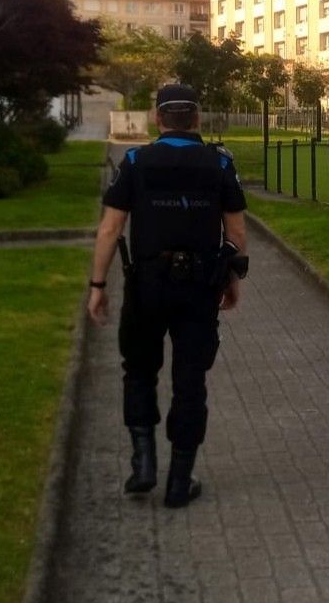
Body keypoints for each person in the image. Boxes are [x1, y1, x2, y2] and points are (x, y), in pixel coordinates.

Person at [88, 83, 249, 508]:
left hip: (147, 285)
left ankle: (143, 465)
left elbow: (109, 229)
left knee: (138, 371)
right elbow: (236, 233)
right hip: (199, 287)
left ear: (158, 119)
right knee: (189, 381)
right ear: (197, 118)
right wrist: (232, 281)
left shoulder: (137, 161)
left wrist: (98, 285)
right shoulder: (219, 163)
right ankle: (179, 480)